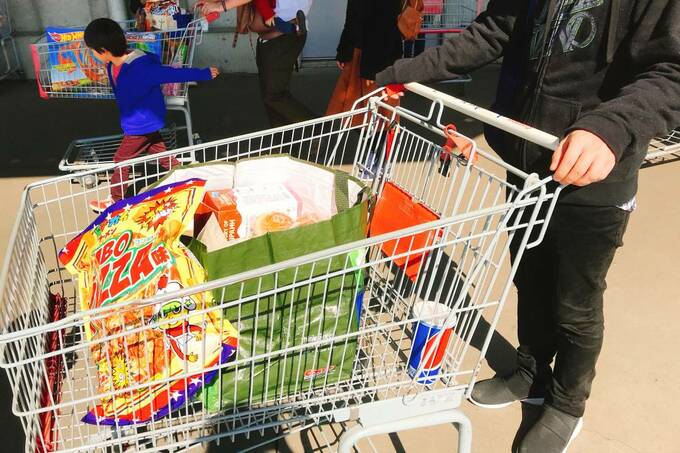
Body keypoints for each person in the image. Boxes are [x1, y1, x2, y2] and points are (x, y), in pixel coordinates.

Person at [376, 0, 680, 452]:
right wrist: (403, 71)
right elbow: (494, 31)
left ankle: (567, 404)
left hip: (592, 175)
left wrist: (612, 127)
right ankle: (530, 371)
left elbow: (672, 71)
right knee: (528, 278)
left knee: (575, 304)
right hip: (525, 163)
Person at [83, 18, 219, 212]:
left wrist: (203, 73)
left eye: (92, 51)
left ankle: (115, 201)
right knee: (160, 152)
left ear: (103, 50)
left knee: (121, 159)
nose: (92, 55)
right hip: (144, 121)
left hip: (140, 124)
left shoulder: (141, 67)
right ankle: (186, 175)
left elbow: (172, 74)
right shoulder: (113, 64)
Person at [201, 0, 314, 127]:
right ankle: (280, 138)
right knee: (271, 95)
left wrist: (220, 6)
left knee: (274, 96)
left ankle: (322, 128)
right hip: (277, 34)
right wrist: (213, 2)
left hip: (282, 36)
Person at [326, 0, 402, 117]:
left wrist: (343, 51)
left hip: (364, 51)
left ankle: (379, 126)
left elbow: (352, 19)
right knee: (384, 107)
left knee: (360, 107)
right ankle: (386, 126)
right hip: (384, 51)